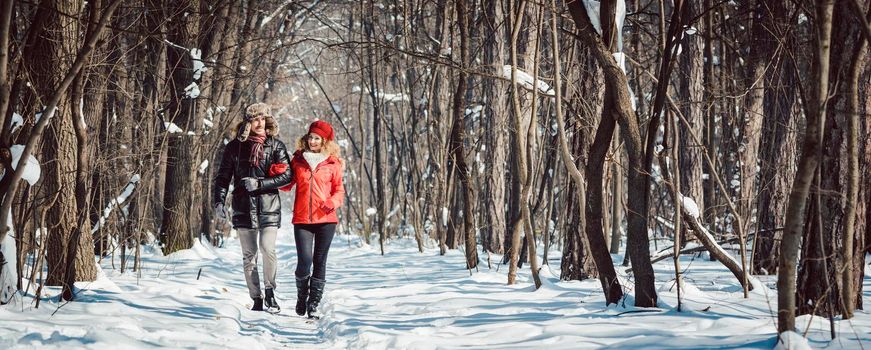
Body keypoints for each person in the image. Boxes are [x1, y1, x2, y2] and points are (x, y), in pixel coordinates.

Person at [213, 103, 292, 313]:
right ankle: (256, 298)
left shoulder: (276, 146)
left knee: (268, 249)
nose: (260, 123)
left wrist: (261, 183)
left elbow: (287, 176)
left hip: (269, 206)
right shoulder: (234, 147)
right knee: (249, 255)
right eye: (256, 119)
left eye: (263, 118)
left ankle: (270, 293)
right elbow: (223, 178)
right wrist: (219, 201)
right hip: (243, 206)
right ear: (248, 122)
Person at [282, 120, 345, 319]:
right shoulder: (298, 160)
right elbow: (286, 185)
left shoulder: (333, 163)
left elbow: (339, 190)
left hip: (326, 219)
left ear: (325, 141)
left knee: (319, 261)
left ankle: (314, 305)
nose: (312, 141)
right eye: (310, 137)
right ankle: (302, 296)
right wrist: (277, 172)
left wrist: (332, 202)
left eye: (317, 138)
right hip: (302, 220)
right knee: (304, 261)